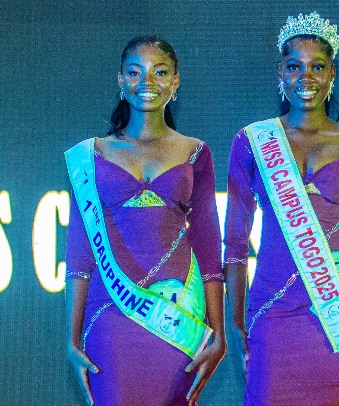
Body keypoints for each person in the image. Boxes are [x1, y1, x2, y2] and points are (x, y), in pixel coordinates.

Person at [224, 12, 339, 405]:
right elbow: (235, 242)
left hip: (337, 312)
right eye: (295, 66)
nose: (306, 77)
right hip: (272, 311)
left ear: (332, 74)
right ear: (280, 73)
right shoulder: (252, 141)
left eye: (317, 67)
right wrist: (234, 318)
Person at [65, 35, 226, 406]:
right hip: (111, 311)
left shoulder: (196, 151)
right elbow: (80, 251)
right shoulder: (91, 155)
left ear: (176, 80)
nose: (147, 82)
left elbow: (207, 240)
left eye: (160, 72)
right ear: (120, 79)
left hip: (178, 310)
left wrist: (218, 332)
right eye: (135, 72)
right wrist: (71, 339)